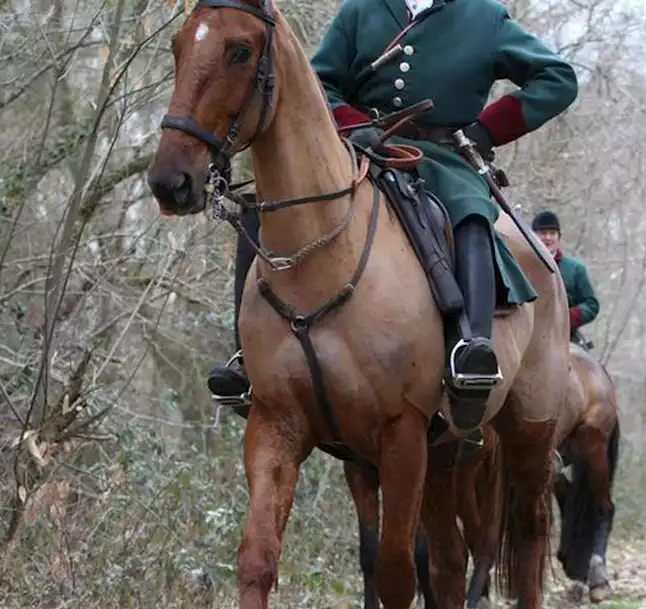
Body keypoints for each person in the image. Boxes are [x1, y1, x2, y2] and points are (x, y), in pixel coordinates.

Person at [205, 0, 579, 436]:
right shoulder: (361, 10)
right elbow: (316, 80)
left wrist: (486, 130)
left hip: (437, 157)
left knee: (472, 212)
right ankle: (245, 358)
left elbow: (559, 79)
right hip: (354, 151)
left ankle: (471, 350)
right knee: (263, 207)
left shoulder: (484, 17)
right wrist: (350, 121)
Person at [530, 210, 599, 347]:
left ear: (559, 237)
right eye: (543, 233)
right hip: (528, 337)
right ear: (532, 236)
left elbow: (591, 305)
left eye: (552, 233)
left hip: (565, 339)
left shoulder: (576, 269)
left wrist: (566, 317)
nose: (548, 238)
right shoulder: (521, 266)